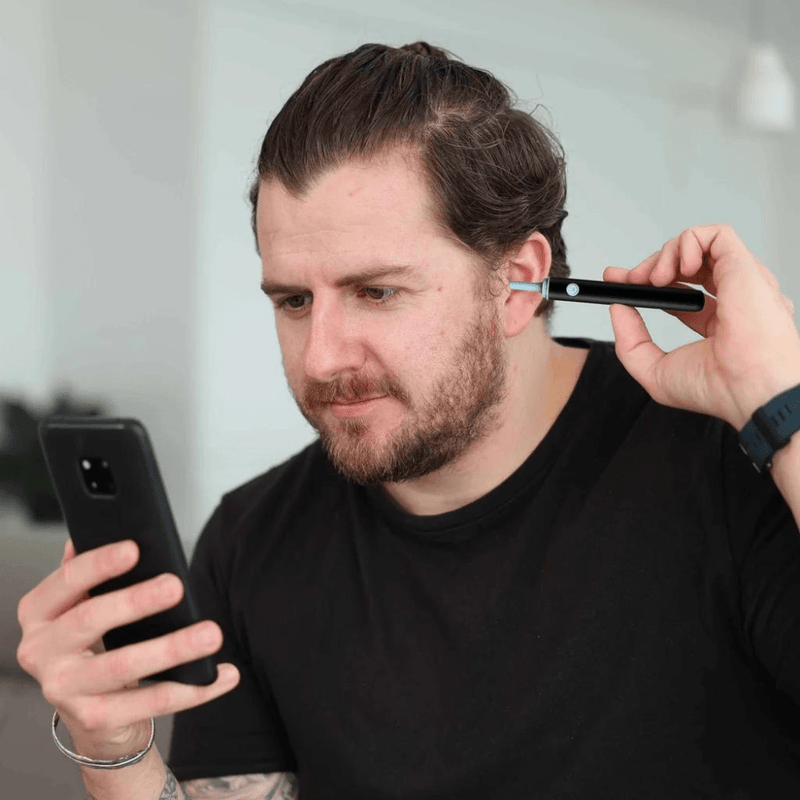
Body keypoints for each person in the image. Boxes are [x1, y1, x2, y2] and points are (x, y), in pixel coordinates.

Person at [16, 41, 800, 800]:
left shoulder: (734, 464)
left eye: (377, 292)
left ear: (518, 283)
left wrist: (784, 405)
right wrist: (112, 753)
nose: (321, 357)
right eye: (293, 301)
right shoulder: (251, 543)